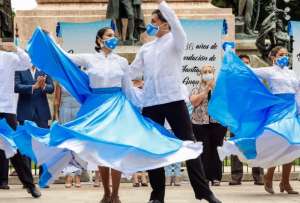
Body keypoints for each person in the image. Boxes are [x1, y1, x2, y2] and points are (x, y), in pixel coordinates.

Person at [12, 25, 202, 203]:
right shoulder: (88, 58)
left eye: (115, 36)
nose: (114, 38)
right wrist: (50, 38)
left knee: (116, 148)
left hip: (117, 107)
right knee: (99, 149)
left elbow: (128, 89)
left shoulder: (121, 62)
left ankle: (116, 194)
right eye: (109, 35)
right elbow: (63, 58)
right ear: (99, 40)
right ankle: (106, 192)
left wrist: (143, 106)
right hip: (96, 106)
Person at [129, 1, 222, 202]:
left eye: (154, 21)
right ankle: (157, 195)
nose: (150, 25)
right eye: (150, 22)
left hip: (173, 99)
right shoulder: (146, 48)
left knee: (189, 144)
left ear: (165, 23)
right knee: (153, 148)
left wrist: (161, 4)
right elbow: (132, 72)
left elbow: (175, 22)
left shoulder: (176, 41)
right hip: (151, 102)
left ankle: (204, 192)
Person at [209, 46, 300, 196]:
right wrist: (230, 54)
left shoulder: (291, 73)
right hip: (278, 109)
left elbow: (297, 92)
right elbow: (247, 71)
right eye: (281, 54)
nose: (285, 56)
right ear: (273, 57)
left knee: (291, 144)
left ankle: (285, 182)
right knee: (277, 142)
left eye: (286, 54)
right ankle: (269, 177)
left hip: (291, 109)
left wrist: (299, 109)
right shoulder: (270, 71)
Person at [0, 41, 41, 198]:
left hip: (5, 108)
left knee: (14, 148)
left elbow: (26, 63)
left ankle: (30, 185)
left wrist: (16, 49)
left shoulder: (8, 57)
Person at [14, 64, 54, 188]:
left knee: (43, 145)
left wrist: (43, 86)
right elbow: (16, 87)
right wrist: (33, 86)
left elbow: (51, 87)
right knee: (26, 146)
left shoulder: (45, 69)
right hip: (25, 112)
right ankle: (28, 181)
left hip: (41, 113)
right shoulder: (19, 69)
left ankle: (44, 179)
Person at [228, 55, 264, 186]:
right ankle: (236, 176)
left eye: (247, 63)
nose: (245, 65)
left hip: (253, 118)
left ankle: (259, 175)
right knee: (236, 146)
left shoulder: (256, 79)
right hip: (237, 118)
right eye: (242, 63)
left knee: (256, 146)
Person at [190, 64, 227, 186]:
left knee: (216, 149)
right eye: (204, 71)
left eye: (209, 71)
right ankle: (204, 177)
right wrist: (206, 89)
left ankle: (216, 177)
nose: (207, 73)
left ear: (213, 73)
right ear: (201, 75)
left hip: (218, 123)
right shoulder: (197, 88)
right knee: (204, 150)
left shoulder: (221, 88)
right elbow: (194, 102)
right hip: (200, 123)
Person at [53, 84, 82, 188]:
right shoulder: (60, 79)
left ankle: (78, 175)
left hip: (79, 110)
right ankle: (68, 175)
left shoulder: (79, 75)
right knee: (67, 144)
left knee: (78, 143)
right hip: (64, 110)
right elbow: (56, 100)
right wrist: (56, 117)